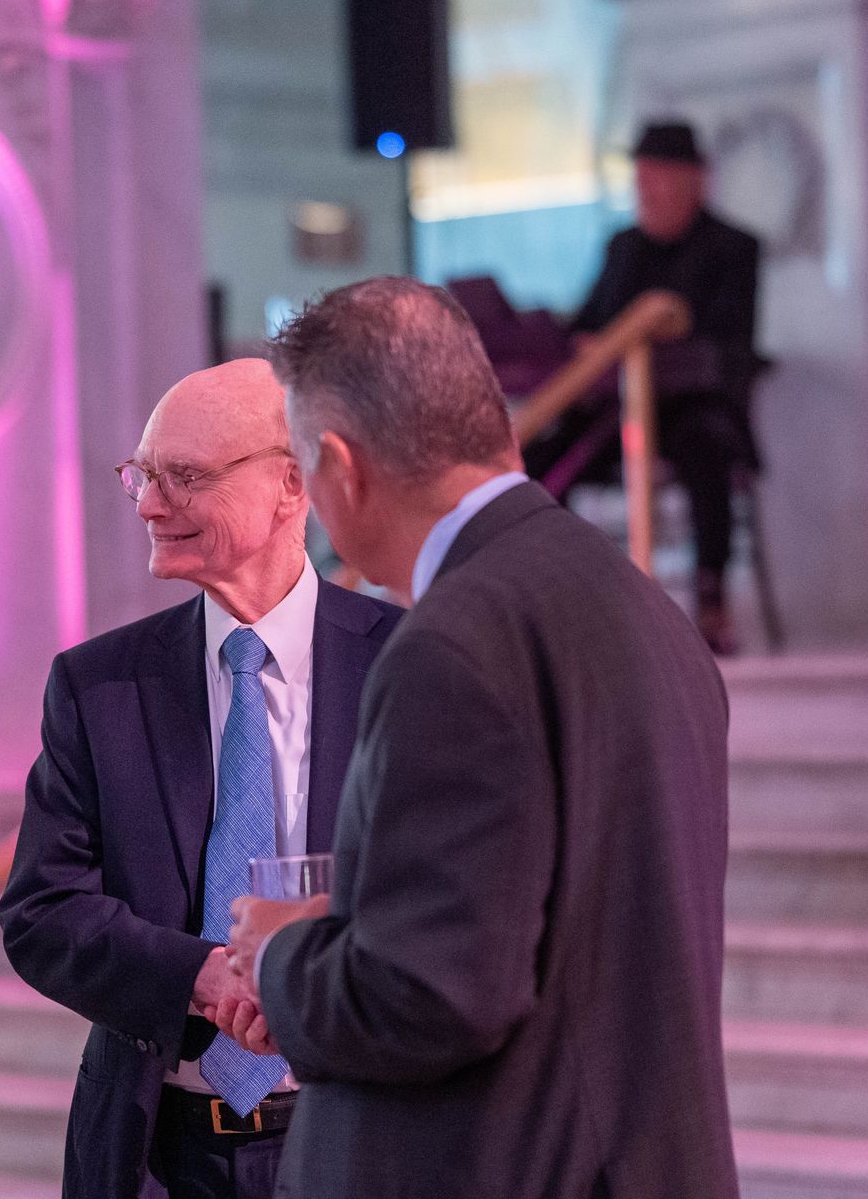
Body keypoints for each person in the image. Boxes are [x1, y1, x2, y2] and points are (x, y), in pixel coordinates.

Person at [225, 278, 737, 1196]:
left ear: (342, 469)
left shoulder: (453, 644)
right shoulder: (639, 604)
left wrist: (281, 959)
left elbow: (432, 996)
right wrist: (352, 927)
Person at [0, 360, 404, 1199]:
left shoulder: (409, 665)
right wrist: (205, 975)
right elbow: (42, 914)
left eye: (183, 478)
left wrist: (306, 981)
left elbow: (450, 899)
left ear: (291, 483)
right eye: (142, 475)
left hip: (361, 1142)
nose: (149, 504)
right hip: (154, 1156)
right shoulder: (97, 687)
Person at [525, 119, 763, 653]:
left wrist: (653, 346)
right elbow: (587, 321)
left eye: (658, 177)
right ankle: (558, 596)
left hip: (690, 404)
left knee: (708, 453)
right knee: (540, 461)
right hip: (614, 406)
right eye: (641, 178)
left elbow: (730, 340)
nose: (646, 191)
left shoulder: (734, 248)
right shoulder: (623, 246)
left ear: (693, 181)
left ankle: (711, 601)